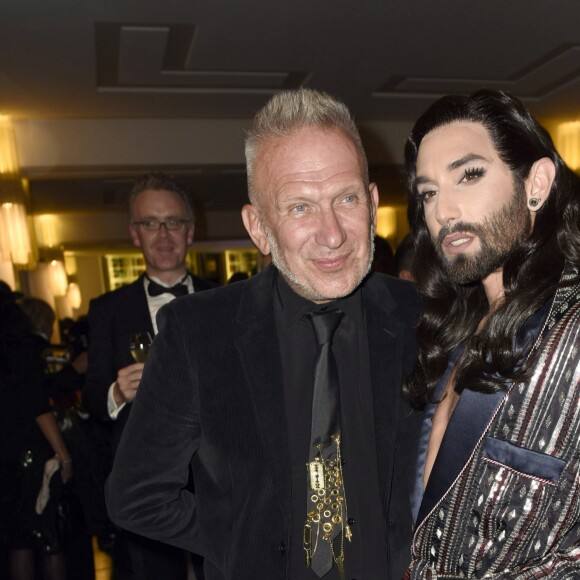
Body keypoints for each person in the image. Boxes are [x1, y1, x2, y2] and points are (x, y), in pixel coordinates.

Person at [105, 88, 422, 580]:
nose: (333, 233)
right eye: (299, 207)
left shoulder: (425, 317)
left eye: (347, 198)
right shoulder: (197, 331)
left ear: (374, 202)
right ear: (258, 227)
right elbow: (135, 496)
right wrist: (242, 543)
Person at [403, 89, 580, 578]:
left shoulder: (572, 327)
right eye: (429, 192)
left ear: (536, 184)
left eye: (470, 175)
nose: (442, 211)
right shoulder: (450, 330)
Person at [85, 173, 214, 580]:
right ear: (134, 234)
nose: (162, 233)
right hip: (149, 477)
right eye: (149, 223)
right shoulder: (107, 309)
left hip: (218, 471)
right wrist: (116, 393)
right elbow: (91, 400)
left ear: (190, 232)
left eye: (172, 222)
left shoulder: (225, 300)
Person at [0, 286, 74, 580]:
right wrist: (65, 457)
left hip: (5, 454)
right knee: (48, 537)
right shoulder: (21, 348)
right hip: (28, 453)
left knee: (18, 538)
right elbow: (38, 407)